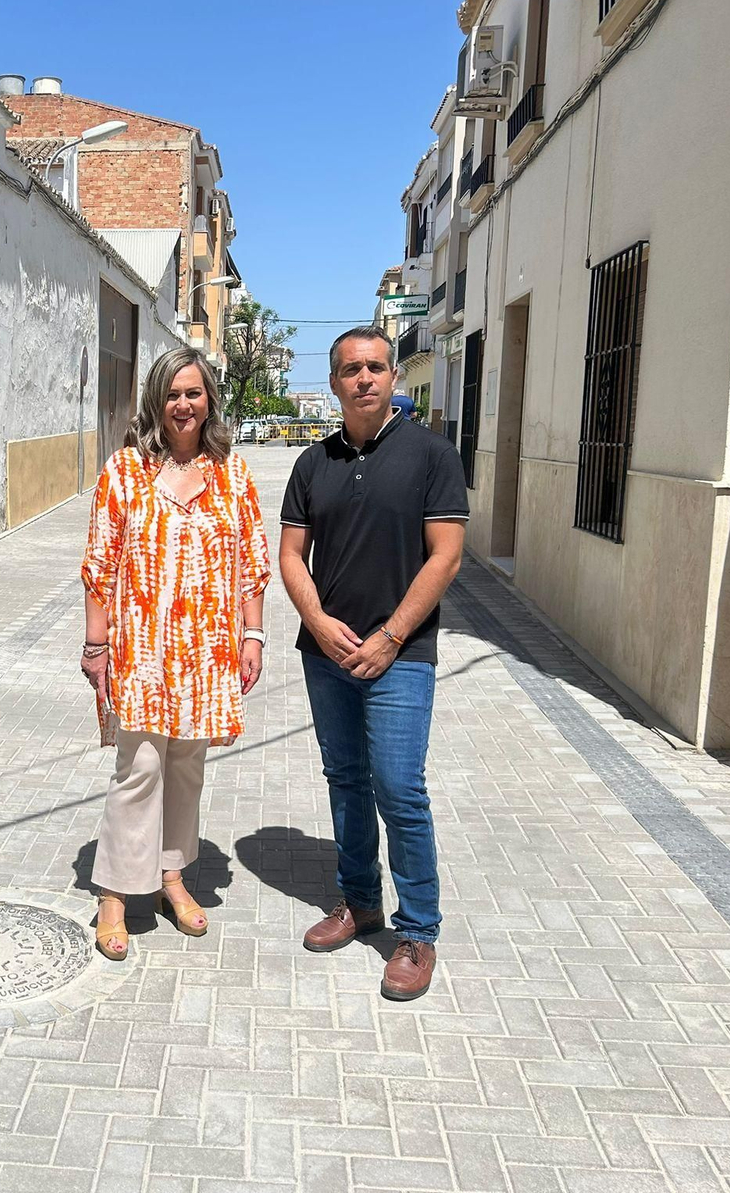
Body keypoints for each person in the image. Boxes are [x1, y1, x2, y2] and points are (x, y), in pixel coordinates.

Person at [279, 326, 467, 1001]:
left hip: (402, 655)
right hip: (326, 654)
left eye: (376, 367)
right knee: (346, 779)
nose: (364, 378)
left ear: (394, 378)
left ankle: (417, 930)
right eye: (351, 369)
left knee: (399, 787)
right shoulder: (312, 464)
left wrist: (389, 636)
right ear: (333, 382)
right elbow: (291, 556)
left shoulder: (431, 456)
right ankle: (360, 902)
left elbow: (445, 555)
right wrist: (319, 623)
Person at [81, 347, 270, 961]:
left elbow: (251, 564)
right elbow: (100, 566)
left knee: (187, 767)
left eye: (193, 393)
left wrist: (253, 635)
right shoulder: (125, 471)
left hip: (206, 652)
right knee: (138, 770)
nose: (183, 405)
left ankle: (170, 877)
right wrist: (95, 644)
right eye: (172, 394)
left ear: (209, 398)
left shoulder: (231, 474)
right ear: (155, 403)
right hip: (140, 651)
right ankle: (114, 892)